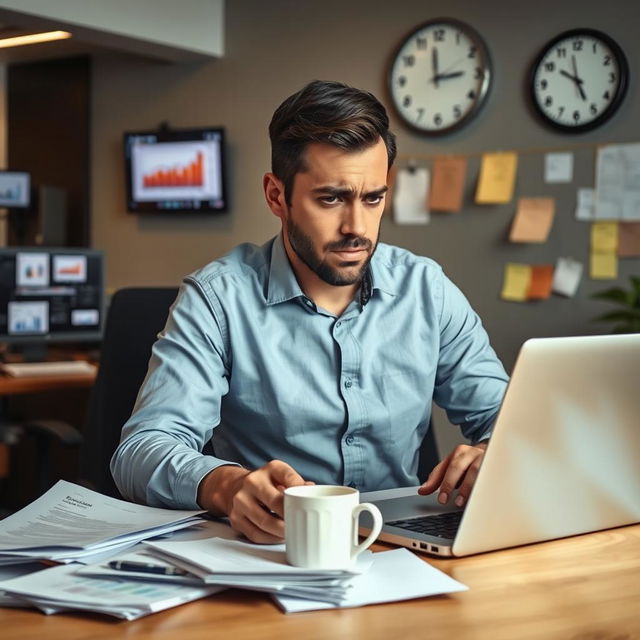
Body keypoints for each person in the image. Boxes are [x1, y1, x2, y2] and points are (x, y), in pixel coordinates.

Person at [111, 80, 509, 544]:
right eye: (331, 198)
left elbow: (509, 418)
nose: (357, 228)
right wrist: (227, 485)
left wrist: (493, 452)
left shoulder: (427, 290)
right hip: (276, 552)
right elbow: (140, 450)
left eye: (373, 198)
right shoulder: (217, 298)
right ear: (277, 196)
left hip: (404, 547)